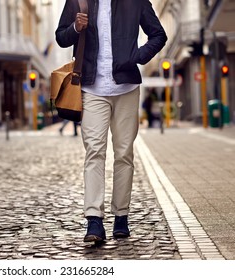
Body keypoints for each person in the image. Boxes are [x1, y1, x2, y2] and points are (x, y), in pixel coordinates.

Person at [56, 0, 167, 242]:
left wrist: (138, 56)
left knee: (124, 153)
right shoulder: (78, 0)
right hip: (91, 88)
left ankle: (121, 217)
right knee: (94, 151)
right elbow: (61, 38)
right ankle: (94, 220)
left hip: (126, 87)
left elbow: (158, 34)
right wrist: (75, 27)